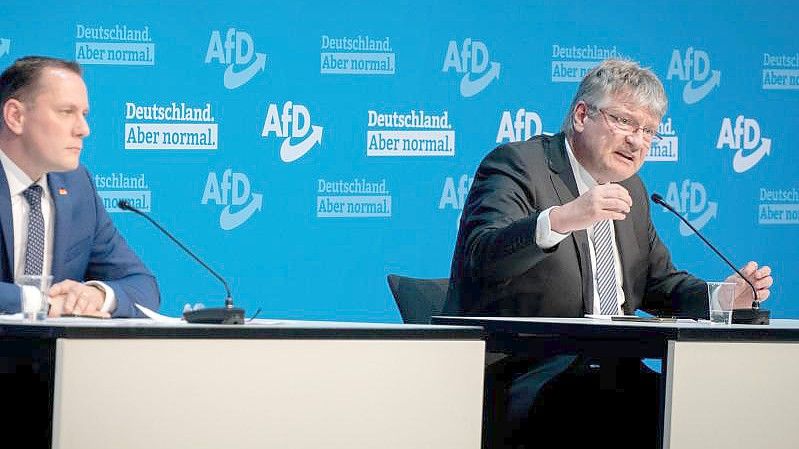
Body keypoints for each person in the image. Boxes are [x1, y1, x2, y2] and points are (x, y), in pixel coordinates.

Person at [444, 58, 773, 448]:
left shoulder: (632, 189)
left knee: (707, 408)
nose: (637, 141)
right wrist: (563, 218)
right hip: (529, 372)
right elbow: (482, 257)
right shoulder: (518, 165)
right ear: (582, 115)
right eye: (625, 122)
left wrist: (721, 296)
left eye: (649, 131)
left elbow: (658, 283)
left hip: (614, 374)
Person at [0, 56, 160, 318]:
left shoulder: (77, 186)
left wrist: (97, 295)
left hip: (56, 356)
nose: (83, 129)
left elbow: (143, 286)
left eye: (83, 114)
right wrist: (42, 303)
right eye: (66, 112)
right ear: (16, 116)